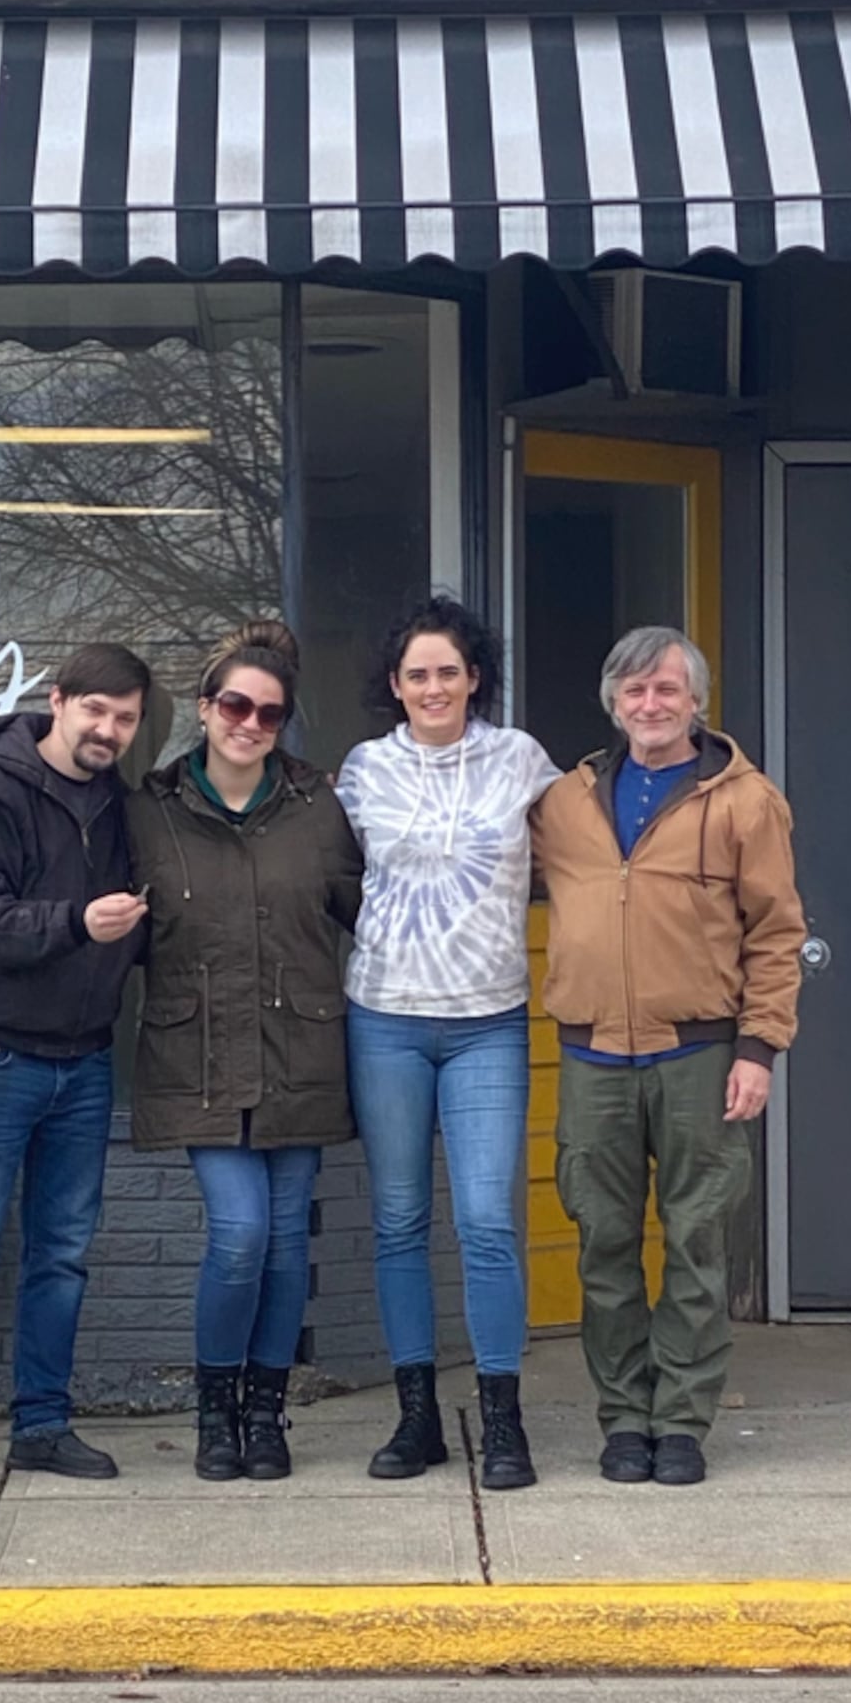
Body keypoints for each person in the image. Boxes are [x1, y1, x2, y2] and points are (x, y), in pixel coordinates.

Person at [531, 626, 804, 1487]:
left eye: (667, 691)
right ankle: (623, 1418)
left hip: (700, 1053)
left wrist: (759, 1048)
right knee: (603, 1243)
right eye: (635, 691)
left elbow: (777, 933)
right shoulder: (564, 803)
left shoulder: (745, 800)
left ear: (696, 702)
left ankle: (681, 1419)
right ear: (613, 701)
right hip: (594, 1059)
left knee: (696, 1241)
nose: (650, 706)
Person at [0, 643, 152, 1494]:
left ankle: (41, 1425)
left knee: (61, 1254)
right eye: (96, 711)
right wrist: (80, 923)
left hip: (84, 1063)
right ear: (58, 700)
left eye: (125, 718)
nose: (109, 730)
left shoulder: (121, 807)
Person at [127, 622, 362, 1483]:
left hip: (300, 1048)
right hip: (199, 1055)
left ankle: (267, 1414)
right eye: (235, 703)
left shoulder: (318, 808)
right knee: (241, 1234)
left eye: (268, 712)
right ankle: (213, 1411)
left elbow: (372, 910)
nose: (249, 722)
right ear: (204, 707)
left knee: (284, 1246)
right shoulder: (150, 811)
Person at [337, 597, 560, 1491]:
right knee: (398, 1220)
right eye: (416, 674)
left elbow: (589, 855)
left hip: (488, 1022)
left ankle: (503, 1420)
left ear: (476, 678)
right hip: (384, 1015)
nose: (434, 686)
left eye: (450, 671)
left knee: (487, 1220)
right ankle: (417, 1416)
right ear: (395, 685)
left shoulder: (522, 761)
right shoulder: (361, 771)